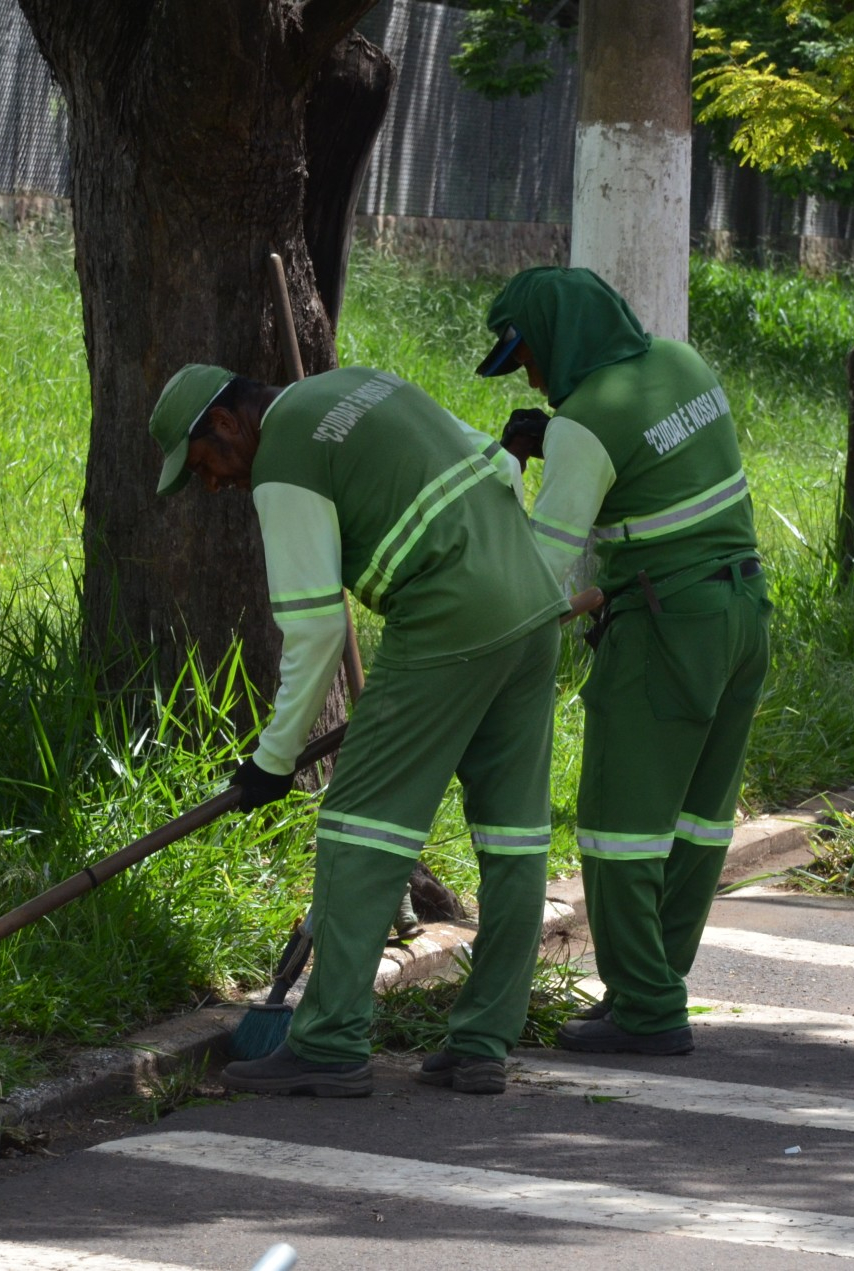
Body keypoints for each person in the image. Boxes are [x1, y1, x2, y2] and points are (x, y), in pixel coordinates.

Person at [150, 362, 566, 1096]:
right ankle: (482, 1042)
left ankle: (331, 1040)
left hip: (449, 612)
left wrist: (272, 760)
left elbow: (311, 630)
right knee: (514, 837)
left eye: (204, 467)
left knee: (358, 824)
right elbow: (494, 464)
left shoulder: (283, 461)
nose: (212, 486)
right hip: (532, 600)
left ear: (224, 422)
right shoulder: (355, 385)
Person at [477, 266, 769, 1056]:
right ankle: (654, 985)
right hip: (744, 613)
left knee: (617, 825)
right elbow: (658, 469)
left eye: (529, 357)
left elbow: (539, 571)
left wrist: (513, 463)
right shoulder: (685, 363)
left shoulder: (585, 424)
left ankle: (644, 1007)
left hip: (666, 627)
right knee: (698, 821)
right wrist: (564, 443)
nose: (533, 377)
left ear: (560, 340)